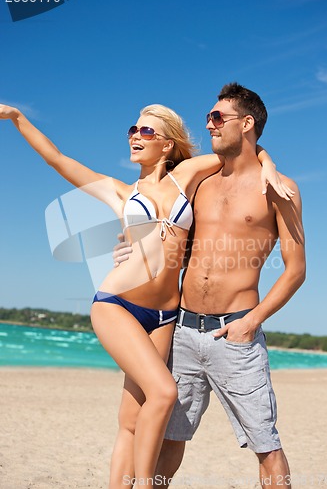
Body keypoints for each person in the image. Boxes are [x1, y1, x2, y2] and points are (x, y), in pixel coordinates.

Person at [0, 100, 293, 489]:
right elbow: (56, 159)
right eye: (133, 130)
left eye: (146, 131)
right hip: (119, 303)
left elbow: (241, 146)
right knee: (164, 392)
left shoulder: (188, 175)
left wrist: (269, 164)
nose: (136, 136)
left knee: (132, 420)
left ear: (168, 144)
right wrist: (17, 118)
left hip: (166, 318)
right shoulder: (120, 192)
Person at [113, 83, 306, 489]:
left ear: (247, 123)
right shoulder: (201, 181)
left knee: (265, 445)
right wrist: (133, 253)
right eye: (209, 117)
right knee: (168, 438)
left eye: (218, 117)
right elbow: (172, 242)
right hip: (182, 330)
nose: (210, 125)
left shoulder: (278, 188)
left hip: (235, 334)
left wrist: (251, 321)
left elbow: (295, 270)